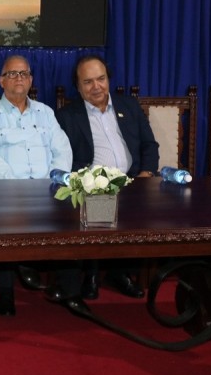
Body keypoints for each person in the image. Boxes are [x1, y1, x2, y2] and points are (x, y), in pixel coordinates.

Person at [0, 55, 75, 316]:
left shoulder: (46, 112)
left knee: (72, 214)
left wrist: (53, 181)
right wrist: (17, 189)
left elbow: (62, 150)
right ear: (1, 81)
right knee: (3, 221)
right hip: (5, 192)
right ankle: (7, 291)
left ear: (31, 79)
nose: (19, 78)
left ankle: (67, 289)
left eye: (24, 73)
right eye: (12, 73)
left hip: (47, 189)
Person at [56, 55, 159, 299]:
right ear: (78, 86)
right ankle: (92, 273)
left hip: (135, 181)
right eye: (88, 81)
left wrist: (146, 174)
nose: (96, 86)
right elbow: (64, 159)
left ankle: (119, 273)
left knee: (139, 207)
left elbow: (149, 145)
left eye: (101, 79)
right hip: (92, 186)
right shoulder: (67, 116)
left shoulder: (129, 106)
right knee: (99, 204)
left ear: (108, 79)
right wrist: (87, 181)